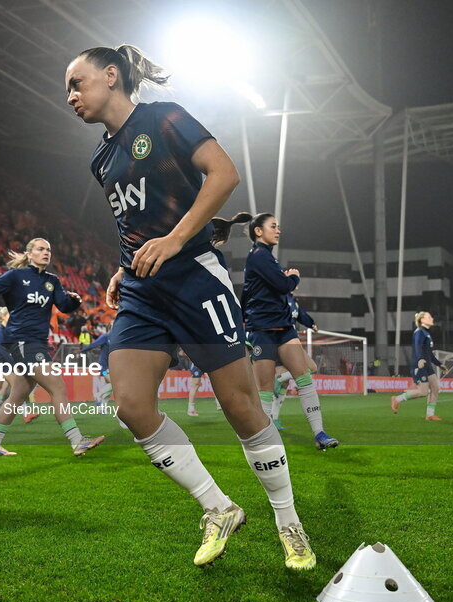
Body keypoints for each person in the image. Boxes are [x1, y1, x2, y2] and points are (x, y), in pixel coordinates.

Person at [65, 45, 315, 569]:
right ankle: (218, 507)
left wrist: (176, 240)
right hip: (141, 291)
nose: (71, 95)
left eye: (77, 82)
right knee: (131, 405)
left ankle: (289, 523)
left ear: (111, 77)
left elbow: (223, 175)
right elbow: (131, 224)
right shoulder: (100, 158)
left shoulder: (163, 120)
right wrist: (121, 266)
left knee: (241, 406)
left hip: (196, 278)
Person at [0, 238, 104, 457]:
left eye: (48, 250)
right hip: (23, 342)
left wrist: (75, 301)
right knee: (58, 388)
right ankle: (77, 440)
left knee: (18, 395)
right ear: (30, 254)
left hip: (37, 343)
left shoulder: (53, 281)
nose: (46, 253)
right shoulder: (16, 276)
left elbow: (63, 306)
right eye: (41, 249)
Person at [242, 213, 339, 450]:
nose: (278, 230)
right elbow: (283, 286)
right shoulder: (258, 256)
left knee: (305, 377)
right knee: (264, 388)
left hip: (284, 329)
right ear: (258, 231)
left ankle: (320, 434)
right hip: (262, 330)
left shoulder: (268, 259)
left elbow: (267, 292)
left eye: (278, 226)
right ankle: (265, 440)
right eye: (273, 226)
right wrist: (294, 277)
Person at [271, 293, 319, 430]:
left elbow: (301, 315)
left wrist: (312, 323)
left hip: (291, 341)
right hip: (283, 341)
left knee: (285, 383)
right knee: (311, 367)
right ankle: (272, 418)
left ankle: (274, 418)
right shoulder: (278, 297)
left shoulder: (293, 301)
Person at [391, 311, 443, 420]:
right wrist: (420, 359)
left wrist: (439, 364)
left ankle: (430, 414)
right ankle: (397, 399)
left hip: (427, 366)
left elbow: (429, 352)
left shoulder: (427, 333)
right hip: (419, 365)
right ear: (422, 320)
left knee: (435, 388)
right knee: (423, 392)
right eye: (429, 317)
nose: (431, 318)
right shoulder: (419, 332)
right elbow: (418, 346)